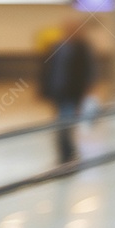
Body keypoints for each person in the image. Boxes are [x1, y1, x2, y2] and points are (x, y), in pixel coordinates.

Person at [39, 19, 95, 165]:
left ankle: (66, 156)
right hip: (58, 92)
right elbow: (48, 69)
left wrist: (84, 93)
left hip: (71, 93)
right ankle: (69, 153)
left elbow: (87, 73)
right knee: (62, 123)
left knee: (64, 124)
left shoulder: (82, 48)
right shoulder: (57, 46)